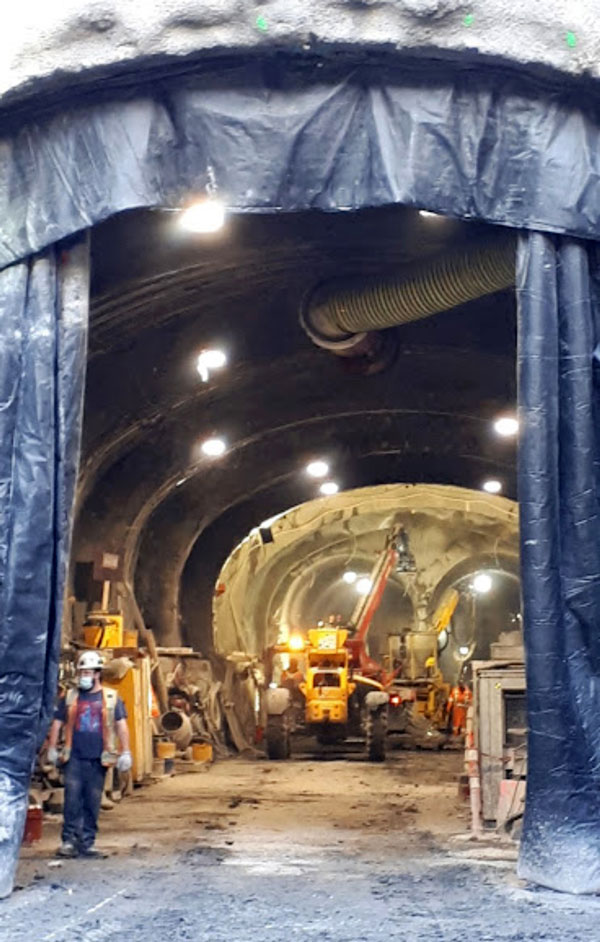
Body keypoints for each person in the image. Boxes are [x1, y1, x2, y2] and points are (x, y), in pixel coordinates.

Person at [47, 650, 132, 859]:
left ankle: (87, 843)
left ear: (96, 674)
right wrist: (51, 747)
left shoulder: (111, 698)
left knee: (92, 803)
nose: (83, 676)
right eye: (81, 672)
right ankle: (69, 842)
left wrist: (126, 751)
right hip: (74, 757)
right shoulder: (70, 697)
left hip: (99, 759)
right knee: (72, 801)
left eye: (87, 672)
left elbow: (121, 726)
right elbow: (57, 723)